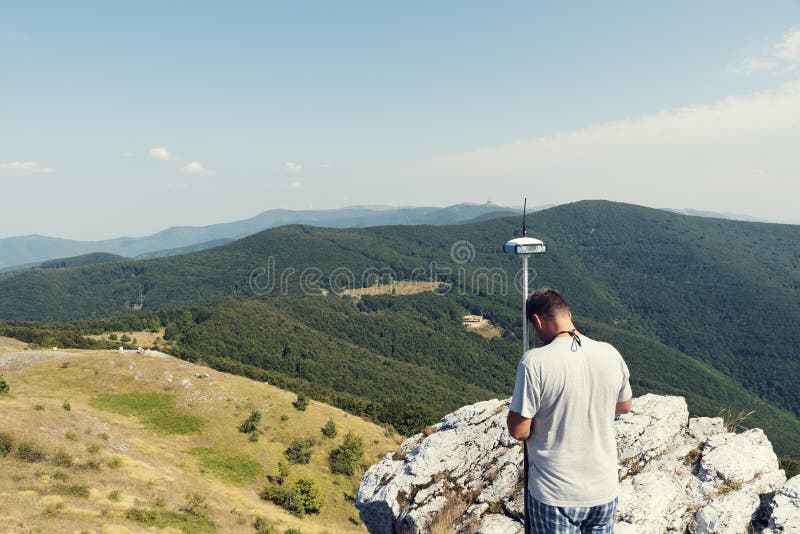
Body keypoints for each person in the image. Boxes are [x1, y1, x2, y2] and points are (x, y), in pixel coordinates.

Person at [507, 288, 632, 533]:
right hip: (604, 491)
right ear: (569, 314)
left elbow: (519, 431)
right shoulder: (609, 352)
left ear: (537, 320)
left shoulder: (534, 361)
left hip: (556, 494)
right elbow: (624, 405)